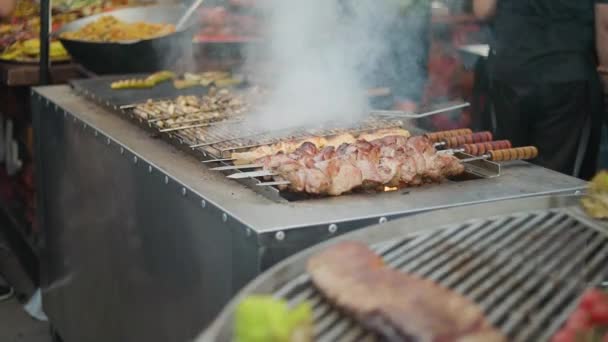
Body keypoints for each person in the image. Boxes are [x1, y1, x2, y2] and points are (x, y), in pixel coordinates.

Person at [473, 0, 608, 180]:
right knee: (562, 179)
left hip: (511, 72)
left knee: (505, 168)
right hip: (568, 78)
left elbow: (482, 10)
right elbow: (605, 23)